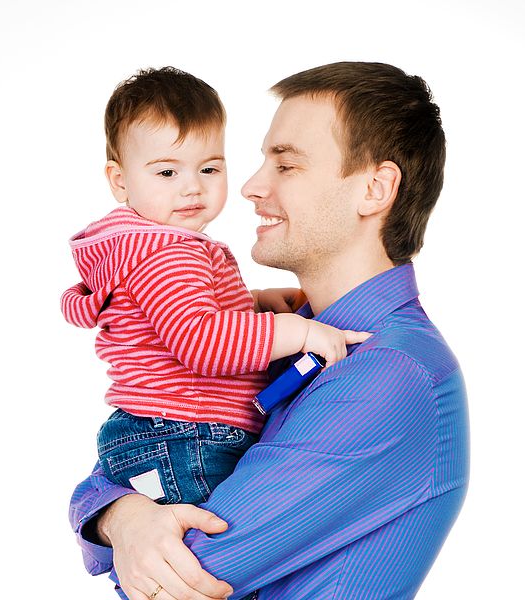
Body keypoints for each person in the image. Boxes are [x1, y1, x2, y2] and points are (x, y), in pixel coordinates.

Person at [69, 61, 470, 600]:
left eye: (287, 165)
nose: (251, 188)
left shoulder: (391, 374)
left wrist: (121, 521)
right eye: (261, 162)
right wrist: (121, 517)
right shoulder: (282, 335)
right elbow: (136, 450)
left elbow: (181, 578)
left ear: (374, 189)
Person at [61, 68, 369, 521]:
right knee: (207, 562)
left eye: (209, 168)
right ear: (119, 180)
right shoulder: (168, 252)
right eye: (167, 171)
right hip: (185, 436)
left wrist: (255, 302)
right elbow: (201, 342)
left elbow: (184, 314)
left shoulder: (142, 248)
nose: (192, 186)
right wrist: (296, 330)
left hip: (158, 434)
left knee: (181, 560)